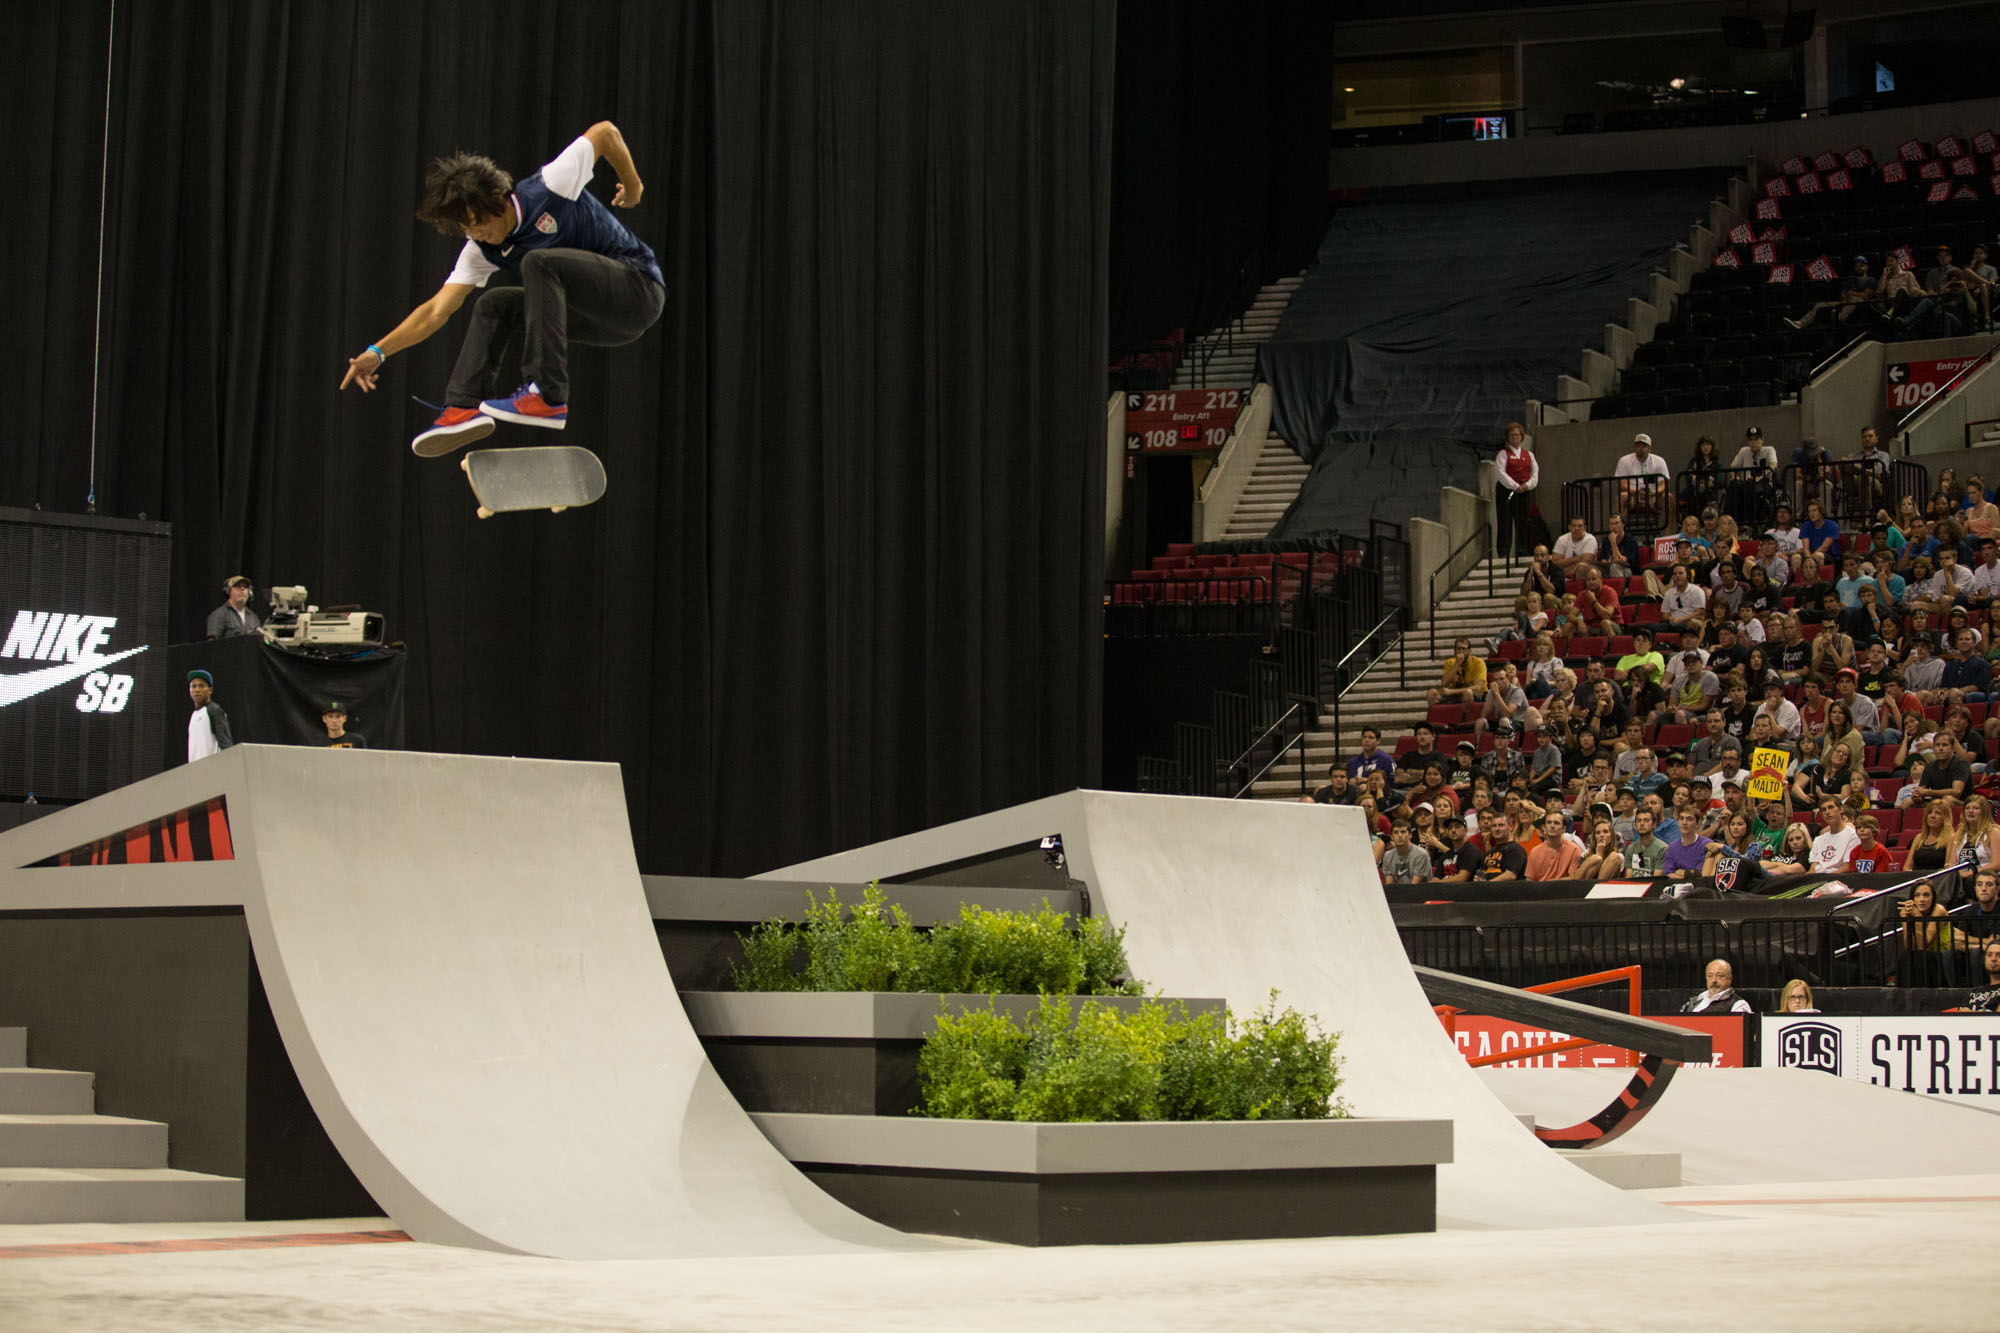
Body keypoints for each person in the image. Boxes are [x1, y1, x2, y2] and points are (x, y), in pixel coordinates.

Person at [342, 124, 664, 455]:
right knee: (493, 303)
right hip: (603, 323)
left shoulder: (551, 185)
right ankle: (461, 407)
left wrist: (635, 186)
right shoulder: (480, 250)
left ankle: (548, 395)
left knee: (538, 263)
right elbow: (436, 311)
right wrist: (378, 352)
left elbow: (606, 133)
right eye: (465, 229)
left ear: (498, 199)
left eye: (478, 222)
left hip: (638, 289)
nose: (475, 234)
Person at [1495, 422, 1539, 558]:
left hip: (1524, 492)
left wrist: (1527, 485)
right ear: (1508, 437)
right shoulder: (1503, 454)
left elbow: (1535, 474)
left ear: (1521, 436)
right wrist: (1515, 486)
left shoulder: (1529, 455)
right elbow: (1500, 473)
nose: (1515, 437)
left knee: (1523, 522)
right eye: (1512, 435)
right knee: (1505, 522)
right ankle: (1504, 553)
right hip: (1506, 492)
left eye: (1517, 435)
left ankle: (1522, 551)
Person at [1614, 432, 1671, 529]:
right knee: (1622, 497)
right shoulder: (1624, 461)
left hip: (1653, 496)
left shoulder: (1659, 461)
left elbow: (1663, 484)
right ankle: (1619, 533)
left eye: (1644, 446)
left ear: (1650, 448)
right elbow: (1622, 484)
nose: (1640, 448)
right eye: (1638, 446)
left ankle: (1667, 535)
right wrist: (1636, 492)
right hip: (1632, 495)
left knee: (1669, 497)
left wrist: (1653, 492)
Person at [1703, 809, 1768, 891]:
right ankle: (1706, 884)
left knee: (1720, 854)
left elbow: (1748, 863)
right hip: (1730, 883)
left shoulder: (1754, 845)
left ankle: (1710, 887)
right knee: (1714, 853)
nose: (1735, 827)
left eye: (1740, 824)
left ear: (1747, 827)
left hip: (1750, 884)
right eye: (1732, 824)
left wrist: (1723, 847)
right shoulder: (1731, 847)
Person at [186, 669, 235, 764]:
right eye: (193, 686)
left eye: (201, 686)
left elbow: (226, 743)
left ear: (210, 690)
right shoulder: (193, 716)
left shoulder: (214, 710)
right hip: (195, 772)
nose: (197, 690)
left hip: (212, 770)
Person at [1429, 637, 1488, 707]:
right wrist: (1457, 664)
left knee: (1467, 692)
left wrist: (1451, 692)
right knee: (1432, 693)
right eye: (1458, 648)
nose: (1461, 651)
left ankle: (1466, 718)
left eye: (1464, 649)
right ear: (1454, 650)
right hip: (1456, 695)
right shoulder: (1450, 662)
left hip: (1477, 695)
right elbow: (1444, 684)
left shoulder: (1478, 663)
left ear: (1469, 651)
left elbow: (1477, 687)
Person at [1525, 810, 1582, 880]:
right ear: (1544, 827)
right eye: (1549, 822)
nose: (1552, 826)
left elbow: (1572, 879)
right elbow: (1529, 880)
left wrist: (1549, 883)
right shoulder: (1534, 852)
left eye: (1556, 823)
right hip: (1540, 890)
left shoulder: (1573, 850)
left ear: (1564, 828)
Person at [1682, 958, 1753, 1014]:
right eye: (1710, 976)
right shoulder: (1694, 1001)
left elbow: (1740, 1031)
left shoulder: (1738, 1004)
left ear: (1730, 978)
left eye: (1719, 976)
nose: (1714, 980)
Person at [1808, 797, 1860, 872]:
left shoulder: (1853, 835)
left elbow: (1847, 868)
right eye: (1823, 810)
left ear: (1841, 809)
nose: (1827, 812)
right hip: (1818, 879)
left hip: (1839, 880)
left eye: (1830, 807)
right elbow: (1813, 869)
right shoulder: (1818, 840)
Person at [1475, 811, 1527, 881]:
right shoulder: (1489, 853)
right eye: (1494, 826)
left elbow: (1510, 875)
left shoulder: (1516, 850)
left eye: (1501, 825)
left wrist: (1487, 885)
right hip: (1488, 890)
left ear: (1511, 827)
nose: (1497, 829)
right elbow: (1482, 875)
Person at [1662, 808, 1713, 880]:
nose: (1684, 822)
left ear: (1698, 823)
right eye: (1681, 819)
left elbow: (1701, 875)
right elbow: (1668, 874)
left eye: (1689, 819)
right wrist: (1688, 874)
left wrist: (1679, 872)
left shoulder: (1707, 845)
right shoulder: (1672, 847)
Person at [206, 576, 262, 640]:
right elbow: (212, 644)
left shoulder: (253, 617)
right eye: (238, 586)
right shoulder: (219, 614)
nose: (242, 589)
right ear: (228, 591)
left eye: (246, 587)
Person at [1379, 820, 1431, 885]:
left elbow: (1415, 886)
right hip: (1397, 893)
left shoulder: (1421, 854)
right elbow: (1390, 887)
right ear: (1392, 837)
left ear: (1410, 835)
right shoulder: (1387, 856)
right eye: (1396, 832)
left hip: (1420, 893)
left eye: (1403, 832)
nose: (1399, 835)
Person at [1962, 939, 2000, 1012]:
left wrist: (1971, 1015)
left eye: (1999, 955)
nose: (1993, 959)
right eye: (1989, 955)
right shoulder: (1974, 992)